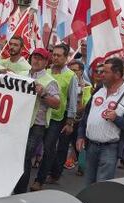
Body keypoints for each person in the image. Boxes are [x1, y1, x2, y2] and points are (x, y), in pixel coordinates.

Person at [76, 57, 124, 186]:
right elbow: (87, 115)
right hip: (91, 146)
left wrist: (117, 119)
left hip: (110, 148)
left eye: (105, 72)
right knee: (88, 184)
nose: (101, 75)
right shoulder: (99, 89)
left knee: (101, 186)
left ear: (117, 74)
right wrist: (81, 135)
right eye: (100, 72)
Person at [30, 44, 77, 190]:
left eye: (58, 55)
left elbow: (72, 100)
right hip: (40, 117)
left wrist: (70, 122)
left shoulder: (71, 76)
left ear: (66, 57)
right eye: (53, 55)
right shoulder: (46, 71)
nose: (55, 57)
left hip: (56, 118)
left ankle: (40, 180)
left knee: (49, 148)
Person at [13, 48, 60, 194]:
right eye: (35, 57)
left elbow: (56, 103)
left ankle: (20, 191)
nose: (36, 60)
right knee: (16, 156)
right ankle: (12, 186)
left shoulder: (50, 81)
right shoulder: (21, 75)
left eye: (41, 58)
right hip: (19, 122)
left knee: (25, 157)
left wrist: (43, 93)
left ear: (46, 62)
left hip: (36, 126)